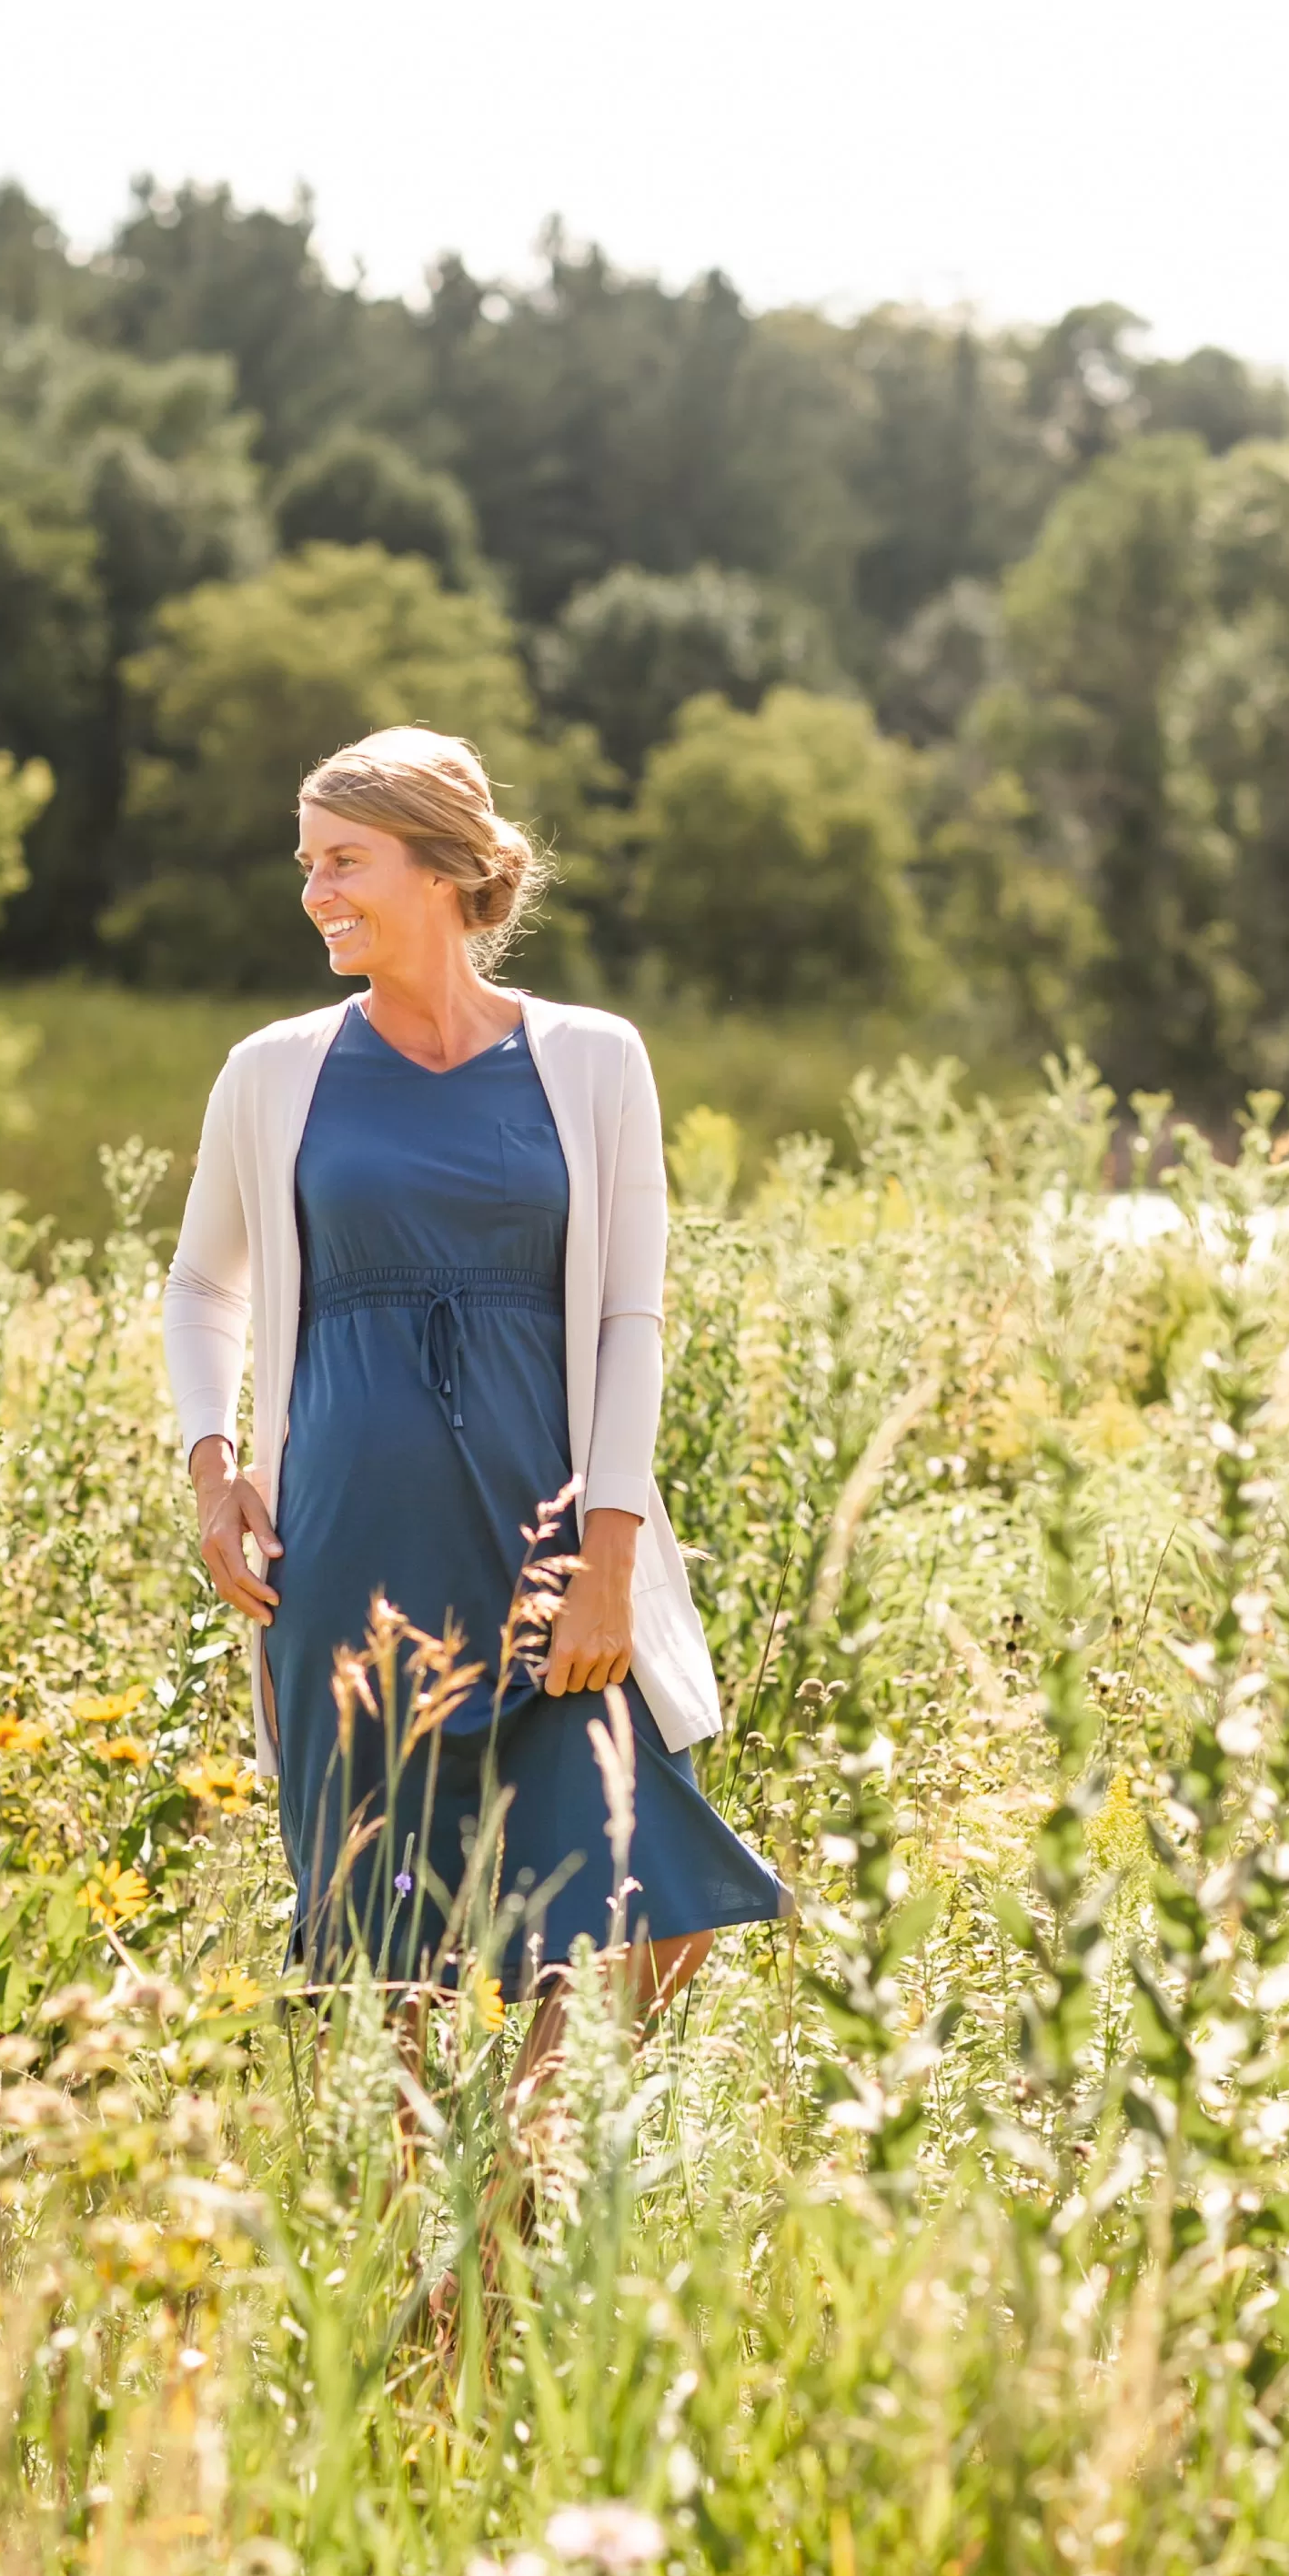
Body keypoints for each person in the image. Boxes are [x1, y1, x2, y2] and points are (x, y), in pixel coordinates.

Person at [162, 725, 781, 2091]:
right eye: (306, 864)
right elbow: (202, 1285)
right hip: (348, 1545)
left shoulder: (593, 1059)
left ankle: (500, 2190)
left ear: (441, 869)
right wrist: (216, 1475)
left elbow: (630, 1315)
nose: (314, 891)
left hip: (548, 1545)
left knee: (656, 1898)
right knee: (390, 1946)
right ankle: (445, 2293)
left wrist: (609, 1556)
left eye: (343, 860)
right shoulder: (274, 1070)